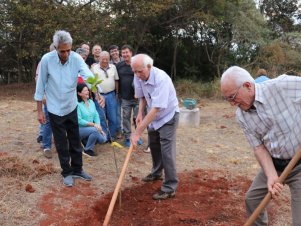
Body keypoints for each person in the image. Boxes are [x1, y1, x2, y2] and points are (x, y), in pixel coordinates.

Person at [220, 66, 301, 225]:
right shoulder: (242, 116)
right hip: (275, 163)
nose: (232, 104)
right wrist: (271, 175)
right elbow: (258, 147)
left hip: (299, 164)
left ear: (248, 86)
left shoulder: (282, 86)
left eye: (233, 97)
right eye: (228, 99)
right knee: (253, 199)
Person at [34, 30, 94, 187]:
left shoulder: (75, 58)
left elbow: (87, 74)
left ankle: (78, 169)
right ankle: (66, 172)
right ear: (55, 47)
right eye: (62, 51)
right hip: (54, 108)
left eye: (68, 50)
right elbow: (40, 86)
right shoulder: (47, 60)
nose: (66, 53)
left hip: (71, 105)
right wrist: (40, 110)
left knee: (75, 139)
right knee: (61, 142)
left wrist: (96, 87)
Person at [130, 54, 179, 200]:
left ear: (149, 67)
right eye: (135, 71)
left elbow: (157, 108)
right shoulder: (138, 75)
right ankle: (157, 173)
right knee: (154, 144)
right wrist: (139, 113)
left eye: (140, 71)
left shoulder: (161, 79)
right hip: (153, 117)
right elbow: (143, 96)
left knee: (166, 151)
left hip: (168, 115)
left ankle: (170, 187)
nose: (138, 75)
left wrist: (138, 131)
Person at [116, 45, 142, 147]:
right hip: (125, 98)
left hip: (137, 98)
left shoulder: (136, 64)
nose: (125, 54)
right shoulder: (119, 66)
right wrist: (118, 93)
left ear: (131, 53)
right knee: (126, 118)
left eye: (127, 52)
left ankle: (137, 136)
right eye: (123, 53)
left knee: (137, 118)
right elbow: (116, 79)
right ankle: (127, 138)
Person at [91, 51, 119, 140]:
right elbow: (92, 84)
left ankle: (112, 136)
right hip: (99, 96)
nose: (105, 61)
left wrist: (117, 93)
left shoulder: (113, 67)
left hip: (111, 95)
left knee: (113, 117)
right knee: (101, 117)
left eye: (107, 59)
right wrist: (95, 95)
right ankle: (104, 136)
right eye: (103, 59)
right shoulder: (94, 68)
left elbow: (116, 80)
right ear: (99, 59)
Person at [35, 43, 55, 158]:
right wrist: (42, 95)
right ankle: (47, 146)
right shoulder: (44, 62)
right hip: (49, 98)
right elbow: (39, 80)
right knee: (48, 123)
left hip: (61, 99)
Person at [77, 83, 107, 156]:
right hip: (79, 129)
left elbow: (96, 115)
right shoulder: (77, 104)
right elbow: (79, 120)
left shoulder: (91, 102)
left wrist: (99, 127)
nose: (87, 92)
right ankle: (88, 149)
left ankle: (86, 140)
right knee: (95, 130)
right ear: (79, 93)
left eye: (87, 90)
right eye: (85, 91)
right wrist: (94, 125)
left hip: (91, 128)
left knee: (103, 139)